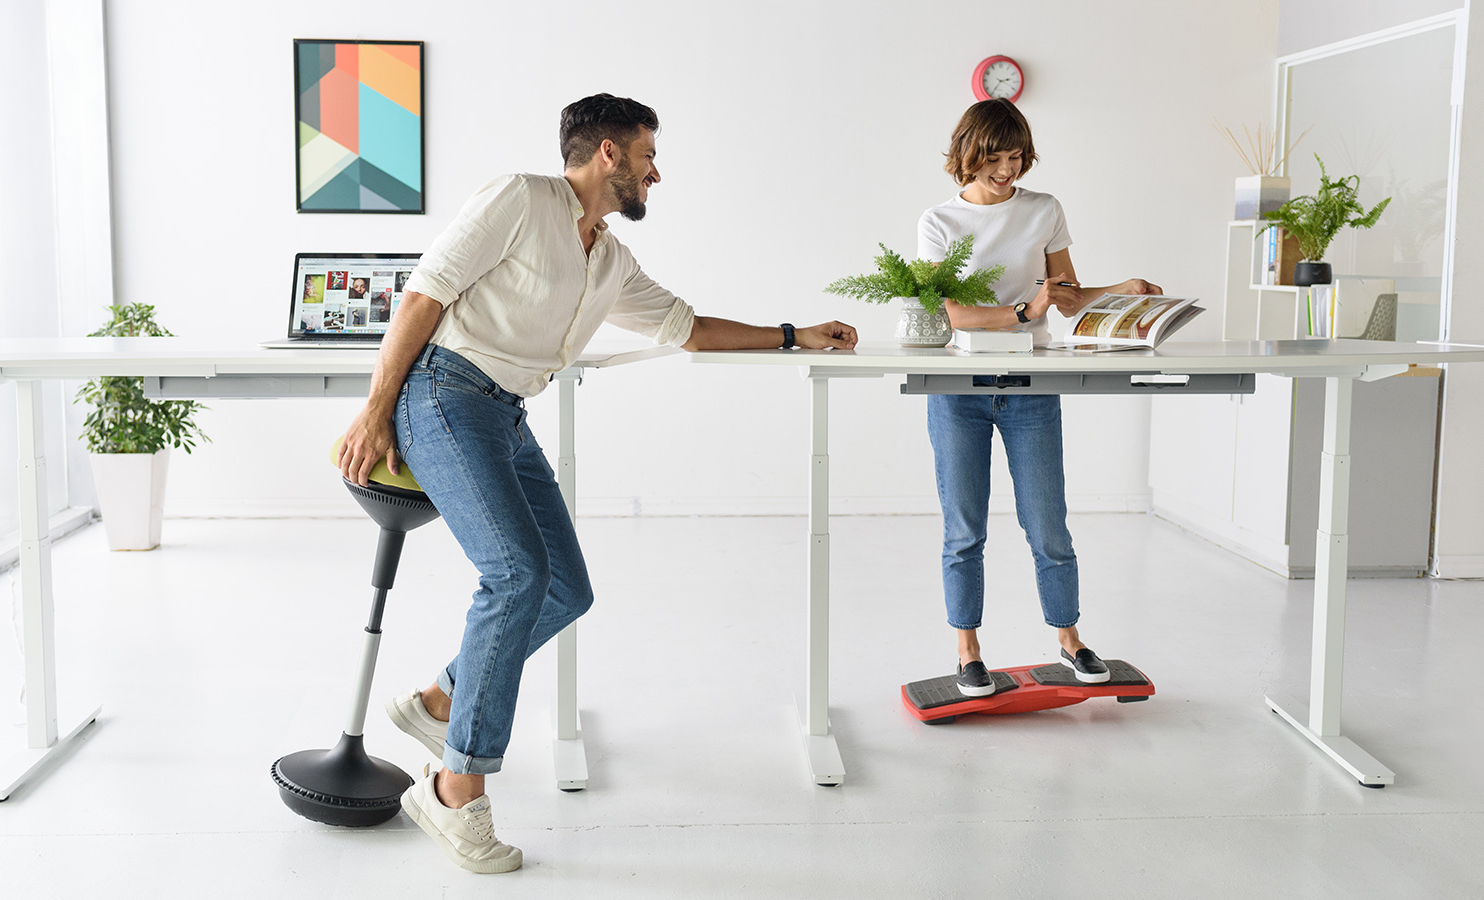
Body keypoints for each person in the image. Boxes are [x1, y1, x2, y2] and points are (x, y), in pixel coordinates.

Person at [335, 93, 857, 874]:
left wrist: (792, 334)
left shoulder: (609, 259)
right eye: (649, 155)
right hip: (442, 392)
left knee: (563, 590)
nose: (658, 172)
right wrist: (377, 407)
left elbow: (688, 328)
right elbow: (426, 292)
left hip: (504, 413)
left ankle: (441, 703)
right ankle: (453, 792)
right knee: (515, 574)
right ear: (608, 153)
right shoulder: (521, 198)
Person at [917, 98, 1160, 698]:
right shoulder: (937, 222)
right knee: (964, 527)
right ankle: (968, 650)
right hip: (958, 389)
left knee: (1048, 524)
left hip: (1030, 388)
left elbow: (1066, 296)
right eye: (994, 158)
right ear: (967, 156)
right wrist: (1023, 311)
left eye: (1017, 157)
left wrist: (1117, 290)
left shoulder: (1044, 209)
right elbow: (944, 312)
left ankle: (1070, 640)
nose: (1007, 170)